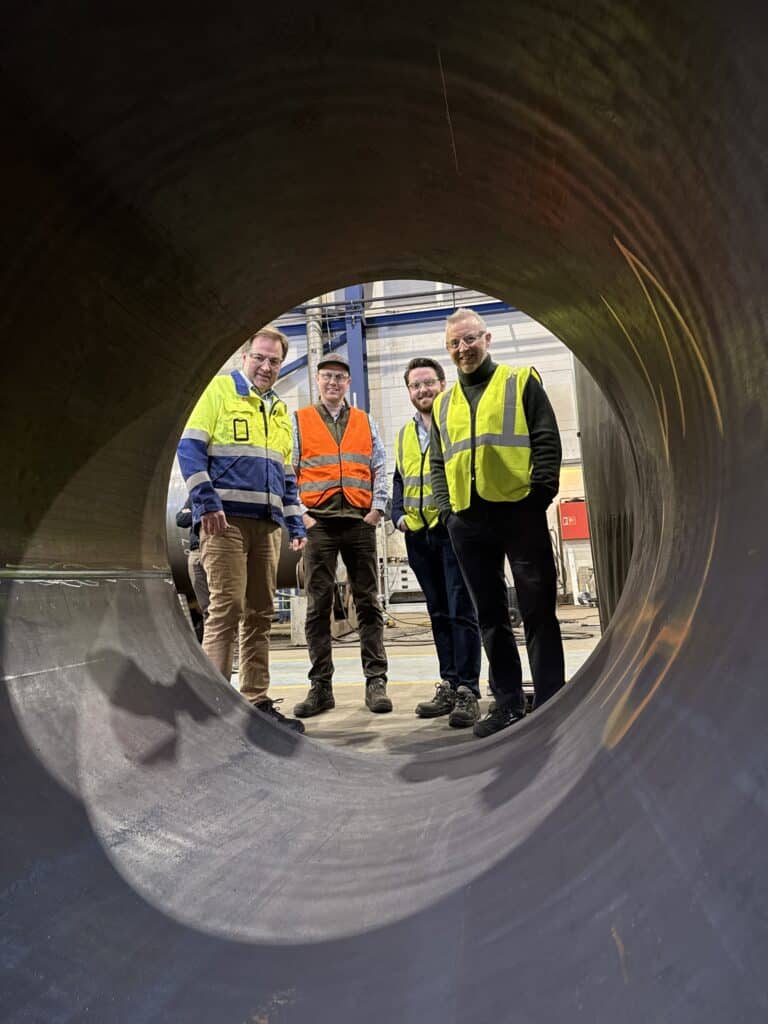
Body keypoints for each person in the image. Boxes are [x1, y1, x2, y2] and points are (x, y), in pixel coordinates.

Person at [430, 308, 565, 738]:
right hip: (467, 520)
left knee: (538, 611)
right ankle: (507, 703)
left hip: (519, 512)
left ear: (487, 339)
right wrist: (448, 512)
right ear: (448, 349)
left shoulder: (520, 381)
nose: (463, 349)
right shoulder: (443, 402)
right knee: (490, 616)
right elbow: (438, 462)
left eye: (470, 339)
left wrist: (540, 495)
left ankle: (550, 703)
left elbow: (546, 438)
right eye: (454, 343)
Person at [177, 326, 307, 733]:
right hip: (225, 522)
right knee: (226, 609)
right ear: (244, 357)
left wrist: (295, 520)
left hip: (267, 526)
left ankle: (256, 701)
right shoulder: (218, 392)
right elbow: (189, 448)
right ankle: (214, 707)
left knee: (261, 613)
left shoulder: (279, 410)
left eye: (274, 361)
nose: (266, 366)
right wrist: (206, 503)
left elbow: (286, 474)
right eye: (260, 357)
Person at [291, 353, 391, 717]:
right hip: (319, 524)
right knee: (317, 606)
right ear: (317, 381)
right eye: (327, 376)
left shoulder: (365, 420)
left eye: (339, 377)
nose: (333, 382)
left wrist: (377, 509)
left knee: (368, 602)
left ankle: (376, 682)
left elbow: (380, 464)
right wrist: (301, 515)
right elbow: (289, 468)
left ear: (348, 383)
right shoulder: (299, 420)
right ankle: (321, 687)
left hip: (359, 522)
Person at [391, 356, 484, 728]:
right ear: (409, 391)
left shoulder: (458, 421)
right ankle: (449, 682)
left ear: (442, 384)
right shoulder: (404, 433)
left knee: (462, 610)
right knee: (438, 612)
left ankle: (468, 690)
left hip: (453, 530)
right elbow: (400, 477)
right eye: (415, 385)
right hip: (419, 534)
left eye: (428, 382)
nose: (422, 390)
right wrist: (397, 514)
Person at [175, 502, 210, 641]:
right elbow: (180, 519)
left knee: (223, 606)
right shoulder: (194, 495)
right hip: (195, 552)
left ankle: (232, 647)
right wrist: (204, 511)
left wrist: (195, 511)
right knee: (206, 608)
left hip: (216, 550)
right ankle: (210, 649)